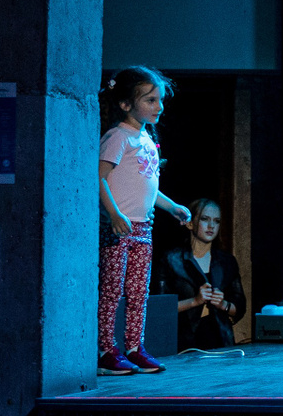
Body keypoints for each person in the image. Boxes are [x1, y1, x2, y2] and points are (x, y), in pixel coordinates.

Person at [97, 66, 192, 375]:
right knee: (112, 291)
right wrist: (114, 213)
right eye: (150, 100)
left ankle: (134, 347)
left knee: (138, 292)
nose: (158, 106)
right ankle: (105, 350)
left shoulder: (147, 138)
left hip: (143, 229)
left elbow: (147, 185)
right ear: (126, 104)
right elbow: (99, 177)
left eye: (160, 100)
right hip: (119, 228)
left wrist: (172, 206)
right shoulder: (118, 137)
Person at [151, 198, 246, 351]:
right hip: (183, 343)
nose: (211, 226)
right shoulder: (171, 260)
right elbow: (159, 308)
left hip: (220, 342)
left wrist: (223, 304)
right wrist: (195, 301)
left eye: (216, 221)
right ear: (190, 224)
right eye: (205, 219)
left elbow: (240, 306)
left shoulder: (226, 262)